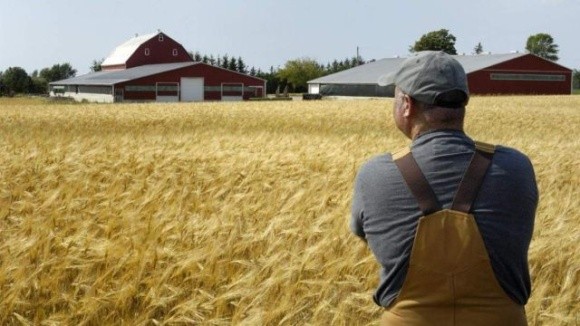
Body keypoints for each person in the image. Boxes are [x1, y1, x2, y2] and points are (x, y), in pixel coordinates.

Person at [350, 51, 538, 325]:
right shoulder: (517, 167)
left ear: (406, 104)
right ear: (462, 102)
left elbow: (363, 232)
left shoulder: (375, 174)